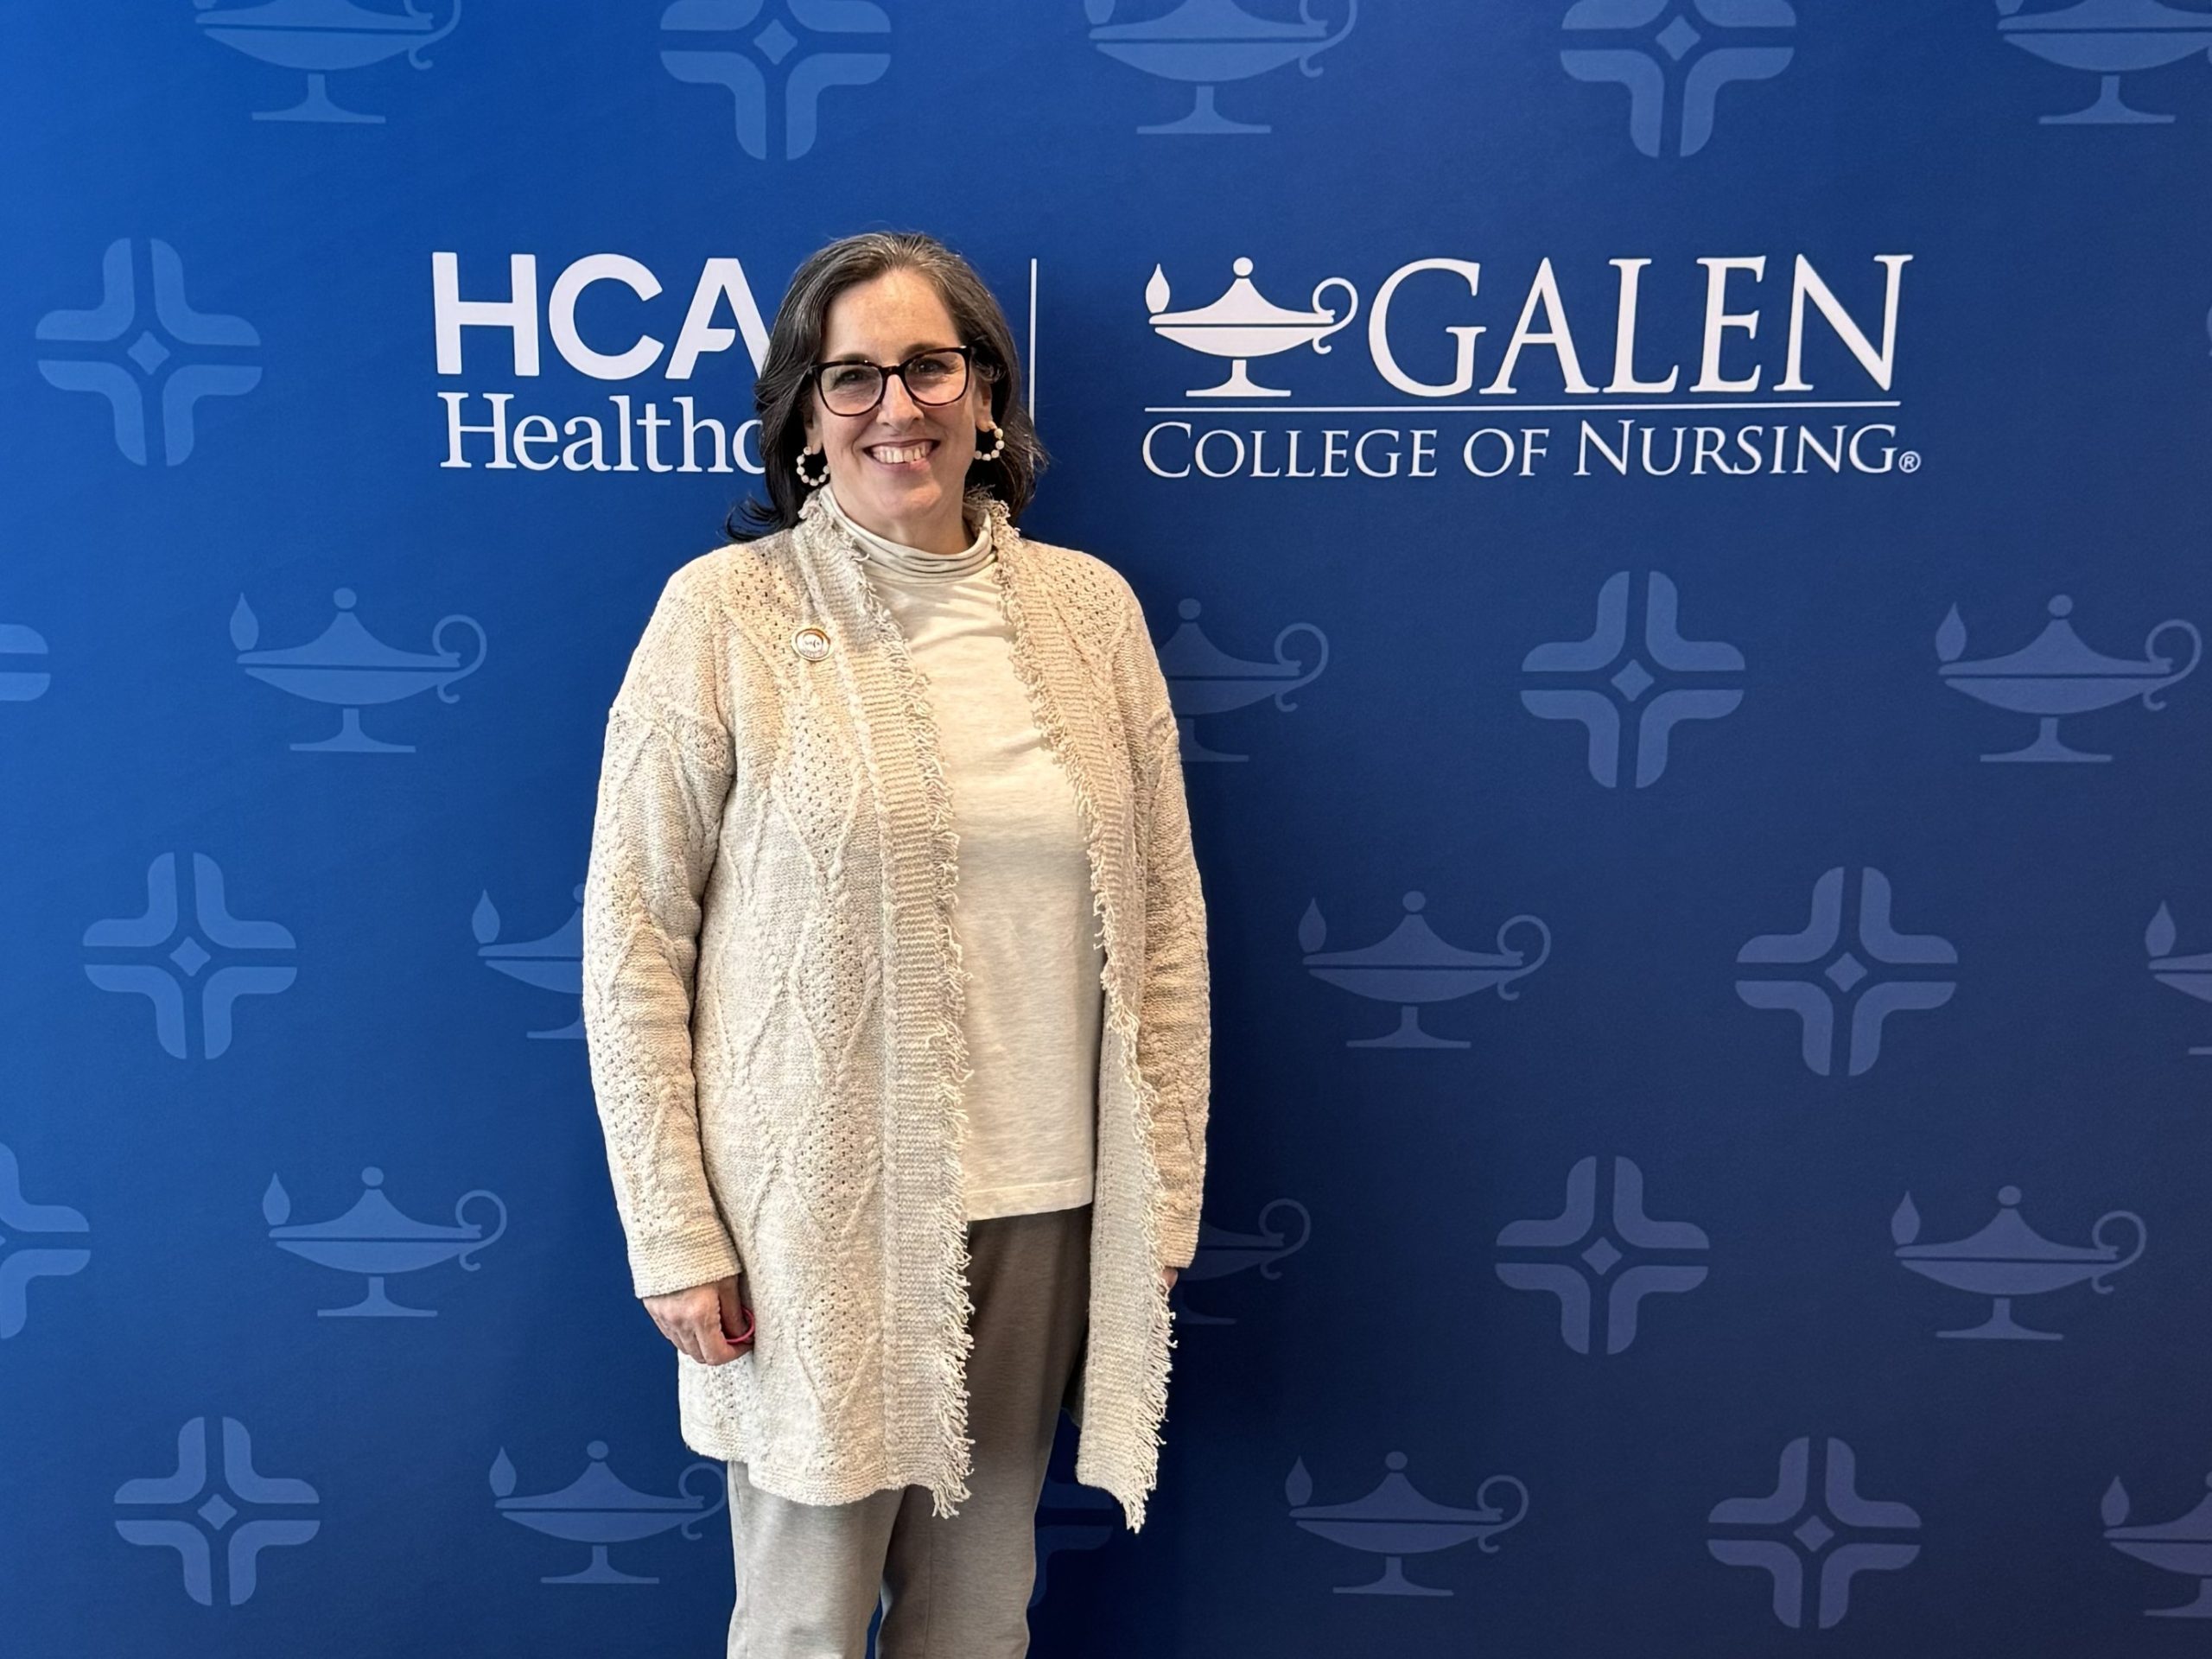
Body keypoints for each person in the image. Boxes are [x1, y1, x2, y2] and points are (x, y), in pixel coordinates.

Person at [579, 228, 1211, 1658]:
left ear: (987, 394)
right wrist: (676, 1229)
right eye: (848, 376)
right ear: (804, 419)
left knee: (981, 1615)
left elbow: (1164, 928)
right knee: (801, 1621)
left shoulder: (1089, 612)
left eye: (929, 366)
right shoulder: (723, 614)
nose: (895, 407)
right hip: (812, 1219)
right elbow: (632, 937)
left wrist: (1159, 1196)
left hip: (1045, 1203)